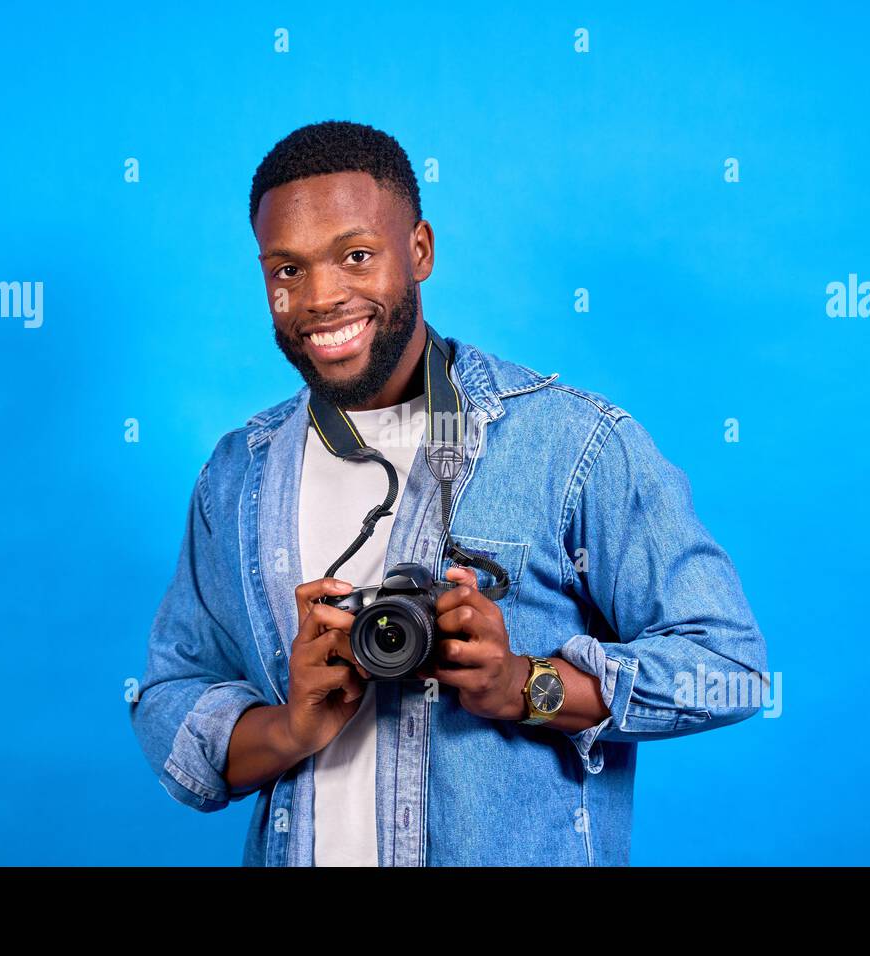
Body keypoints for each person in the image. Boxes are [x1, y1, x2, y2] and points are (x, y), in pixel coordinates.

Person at [130, 119, 768, 866]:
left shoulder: (572, 444)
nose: (321, 297)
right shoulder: (239, 473)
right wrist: (291, 727)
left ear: (420, 250)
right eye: (288, 270)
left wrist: (524, 684)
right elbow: (171, 697)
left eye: (356, 256)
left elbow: (729, 670)